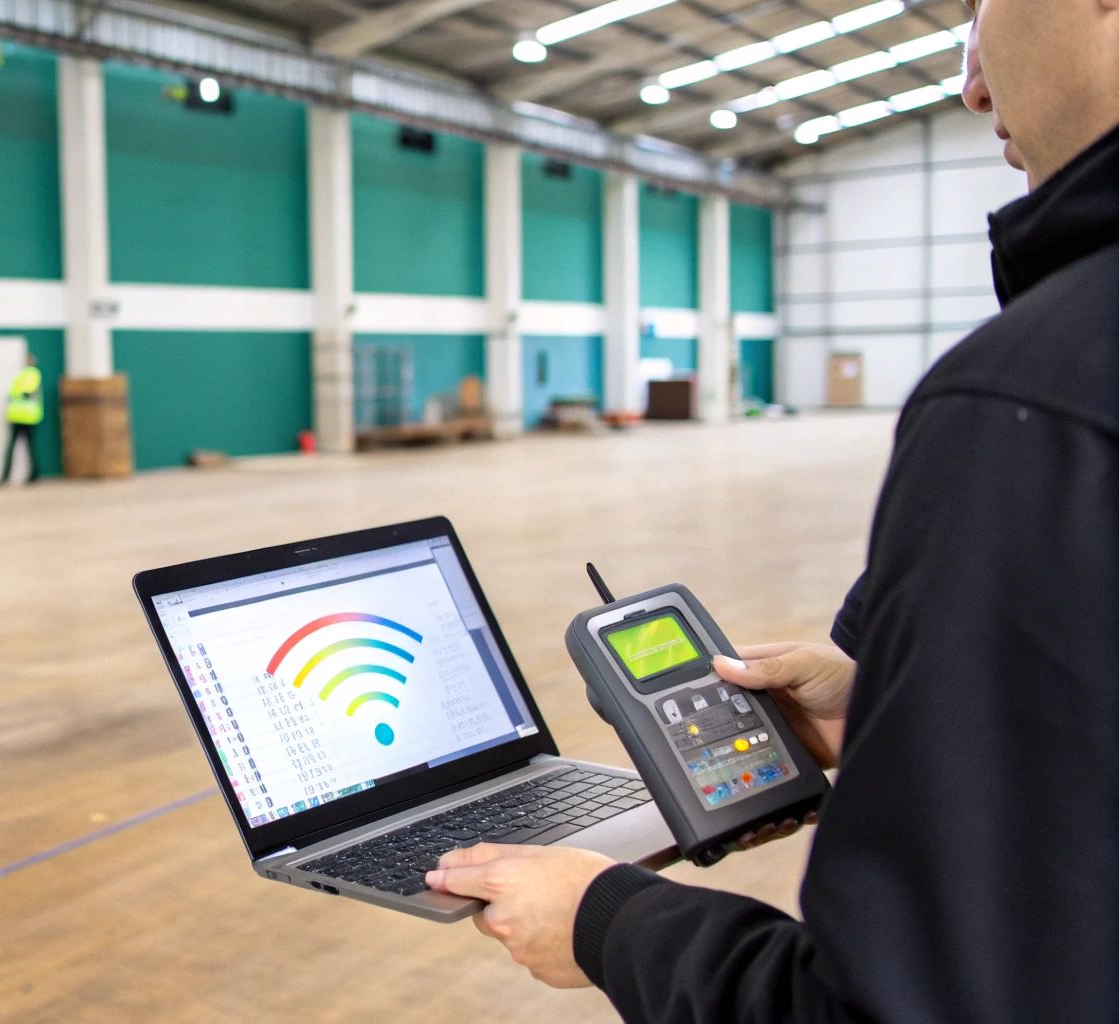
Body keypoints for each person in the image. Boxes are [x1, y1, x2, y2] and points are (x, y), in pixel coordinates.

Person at [425, 0, 1119, 1018]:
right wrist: (898, 697)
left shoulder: (1034, 396)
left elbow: (905, 1003)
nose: (970, 80)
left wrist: (605, 921)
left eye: (978, 7)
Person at [0, 353, 43, 485]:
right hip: (18, 416)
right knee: (20, 447)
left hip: (27, 416)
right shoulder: (22, 375)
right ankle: (9, 475)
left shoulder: (32, 374)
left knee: (28, 447)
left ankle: (33, 474)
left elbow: (27, 392)